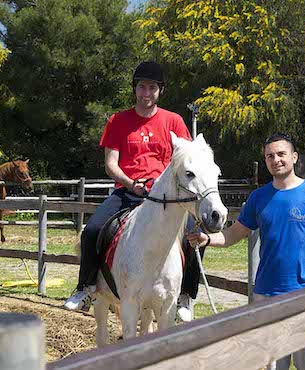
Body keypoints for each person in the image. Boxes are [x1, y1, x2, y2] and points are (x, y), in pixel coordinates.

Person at [64, 60, 204, 321]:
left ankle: (186, 294)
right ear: (135, 89)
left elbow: (188, 159)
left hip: (166, 198)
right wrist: (130, 183)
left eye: (152, 87)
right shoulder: (118, 121)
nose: (146, 93)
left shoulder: (173, 121)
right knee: (92, 230)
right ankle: (85, 287)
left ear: (160, 90)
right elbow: (110, 164)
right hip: (128, 191)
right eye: (142, 87)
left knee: (194, 234)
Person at [187, 132, 305, 370]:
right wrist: (208, 239)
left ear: (294, 157)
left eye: (280, 154)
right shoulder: (259, 197)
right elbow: (233, 234)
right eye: (269, 156)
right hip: (266, 296)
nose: (275, 159)